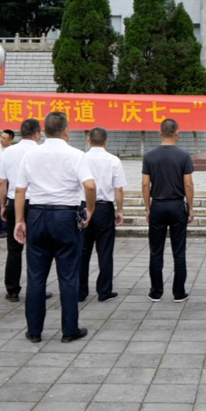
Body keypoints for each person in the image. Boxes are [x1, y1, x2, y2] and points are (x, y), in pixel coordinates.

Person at [14, 112, 96, 343]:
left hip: (37, 215)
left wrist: (20, 220)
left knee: (36, 276)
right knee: (68, 276)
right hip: (65, 216)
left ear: (45, 131)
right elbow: (89, 186)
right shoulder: (76, 155)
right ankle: (69, 330)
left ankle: (34, 331)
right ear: (66, 131)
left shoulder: (30, 155)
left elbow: (20, 190)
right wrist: (90, 210)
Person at [0, 119, 52, 303]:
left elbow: (2, 182)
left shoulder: (8, 152)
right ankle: (37, 288)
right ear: (37, 134)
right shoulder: (42, 152)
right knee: (37, 248)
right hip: (37, 204)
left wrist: (4, 205)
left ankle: (12, 290)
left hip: (15, 201)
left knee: (14, 248)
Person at [142, 118, 194, 302]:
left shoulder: (149, 156)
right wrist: (191, 207)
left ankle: (156, 291)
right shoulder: (183, 156)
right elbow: (188, 183)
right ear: (177, 133)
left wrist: (148, 207)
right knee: (178, 251)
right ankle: (179, 293)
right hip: (177, 205)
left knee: (156, 251)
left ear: (159, 132)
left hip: (157, 205)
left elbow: (145, 183)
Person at [79, 127, 126, 303]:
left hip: (83, 207)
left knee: (82, 250)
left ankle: (80, 291)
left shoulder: (80, 159)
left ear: (88, 141)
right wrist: (119, 209)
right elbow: (118, 188)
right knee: (105, 251)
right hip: (104, 208)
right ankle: (104, 290)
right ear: (106, 142)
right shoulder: (113, 160)